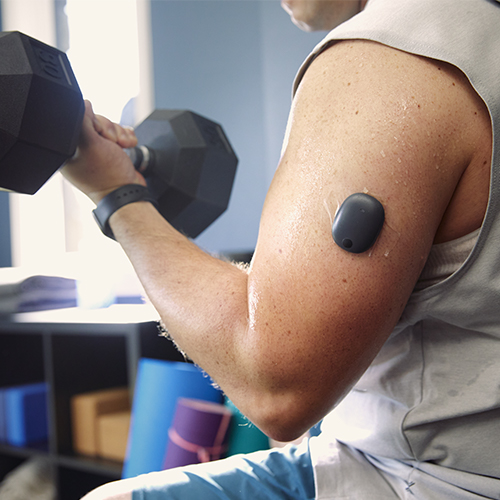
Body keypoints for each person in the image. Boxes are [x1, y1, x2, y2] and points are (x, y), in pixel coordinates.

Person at [64, 0, 500, 498]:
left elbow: (274, 385)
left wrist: (117, 196)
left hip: (420, 478)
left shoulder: (389, 60)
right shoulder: (481, 31)